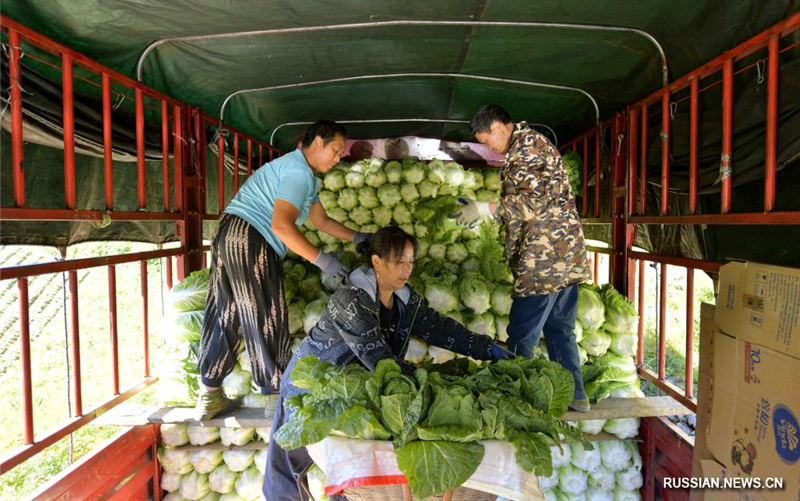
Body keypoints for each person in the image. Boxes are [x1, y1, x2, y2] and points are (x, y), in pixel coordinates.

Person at [263, 226, 515, 500]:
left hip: (350, 389)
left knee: (349, 478)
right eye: (399, 262)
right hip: (310, 387)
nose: (406, 269)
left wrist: (486, 348)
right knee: (288, 474)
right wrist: (427, 383)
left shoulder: (405, 299)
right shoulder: (351, 301)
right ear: (377, 262)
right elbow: (379, 359)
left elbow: (438, 328)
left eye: (410, 262)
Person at [195, 120, 371, 420]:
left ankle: (209, 394)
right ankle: (275, 398)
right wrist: (321, 260)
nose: (338, 157)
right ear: (317, 143)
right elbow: (280, 226)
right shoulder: (298, 171)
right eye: (336, 150)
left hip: (230, 233)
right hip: (252, 236)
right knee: (266, 311)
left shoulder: (307, 178)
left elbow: (321, 222)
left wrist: (359, 237)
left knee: (226, 309)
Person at [454, 105, 592, 413]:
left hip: (543, 261)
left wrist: (486, 208)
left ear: (500, 127)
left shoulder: (525, 149)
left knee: (521, 336)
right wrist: (490, 213)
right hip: (564, 256)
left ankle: (519, 400)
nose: (488, 147)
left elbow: (534, 202)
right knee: (560, 329)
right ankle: (576, 396)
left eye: (487, 140)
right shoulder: (532, 144)